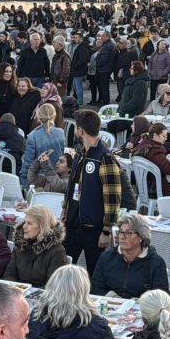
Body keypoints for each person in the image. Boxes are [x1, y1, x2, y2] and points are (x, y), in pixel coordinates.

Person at [62, 109, 122, 273]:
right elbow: (72, 188)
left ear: (80, 130)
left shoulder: (105, 158)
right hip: (72, 225)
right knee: (64, 272)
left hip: (94, 230)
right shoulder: (80, 154)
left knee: (95, 275)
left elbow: (112, 198)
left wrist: (107, 230)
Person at [90, 213, 170, 299]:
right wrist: (112, 295)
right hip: (110, 307)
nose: (122, 237)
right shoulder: (107, 257)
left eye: (128, 233)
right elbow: (95, 288)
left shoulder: (156, 262)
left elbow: (162, 297)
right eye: (121, 232)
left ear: (141, 237)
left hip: (141, 308)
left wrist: (141, 301)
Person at [4, 205, 68, 288]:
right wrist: (14, 289)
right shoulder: (20, 245)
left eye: (29, 223)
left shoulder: (57, 251)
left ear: (43, 227)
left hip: (43, 297)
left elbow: (54, 286)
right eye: (25, 222)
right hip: (17, 294)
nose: (24, 226)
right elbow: (9, 274)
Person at [21, 102, 65, 186]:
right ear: (54, 116)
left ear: (39, 117)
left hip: (39, 179)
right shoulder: (61, 133)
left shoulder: (32, 136)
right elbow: (62, 155)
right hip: (56, 177)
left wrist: (23, 176)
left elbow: (28, 163)